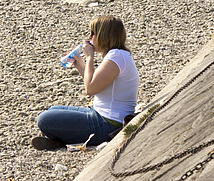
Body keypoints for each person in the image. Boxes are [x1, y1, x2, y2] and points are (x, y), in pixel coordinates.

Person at [32, 15, 139, 150]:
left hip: (108, 124)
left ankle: (61, 140)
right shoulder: (119, 55)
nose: (89, 37)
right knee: (53, 110)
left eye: (93, 33)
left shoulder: (116, 58)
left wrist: (90, 57)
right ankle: (60, 140)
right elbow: (97, 84)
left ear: (103, 35)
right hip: (103, 115)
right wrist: (81, 66)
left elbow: (90, 89)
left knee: (44, 119)